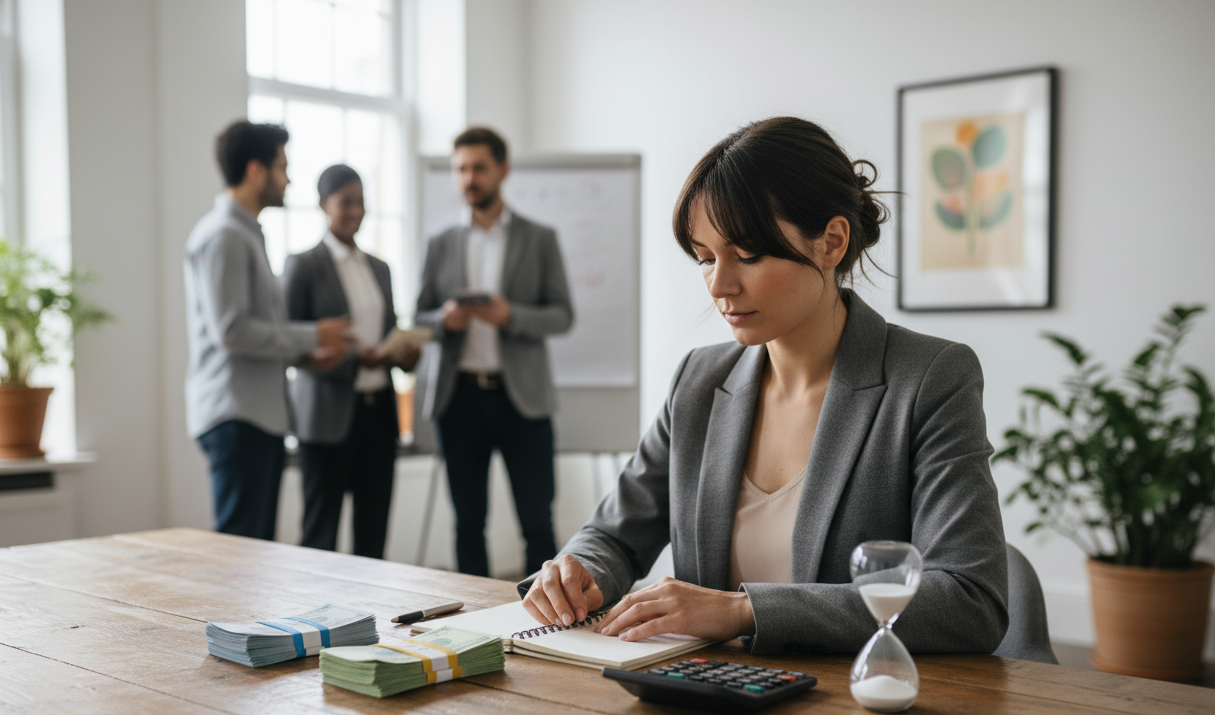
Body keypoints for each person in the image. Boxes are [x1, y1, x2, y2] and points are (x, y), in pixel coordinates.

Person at [521, 117, 1009, 656]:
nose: (720, 285)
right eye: (705, 258)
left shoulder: (929, 378)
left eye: (747, 254)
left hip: (856, 714)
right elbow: (614, 534)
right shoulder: (699, 381)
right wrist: (579, 571)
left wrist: (741, 610)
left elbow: (970, 599)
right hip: (707, 702)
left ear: (832, 242)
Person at [415, 126, 574, 577]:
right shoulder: (440, 242)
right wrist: (443, 320)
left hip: (521, 398)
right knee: (467, 523)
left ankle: (545, 619)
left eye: (478, 168)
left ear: (502, 170)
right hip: (458, 399)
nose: (469, 179)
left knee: (537, 522)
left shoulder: (538, 238)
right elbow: (417, 316)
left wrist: (511, 317)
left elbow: (563, 315)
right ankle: (474, 623)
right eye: (461, 169)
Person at [185, 120, 352, 540]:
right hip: (237, 416)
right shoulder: (224, 236)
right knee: (240, 552)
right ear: (256, 170)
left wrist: (303, 355)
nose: (289, 178)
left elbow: (253, 327)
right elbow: (232, 330)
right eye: (282, 167)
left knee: (254, 553)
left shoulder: (245, 234)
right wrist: (313, 335)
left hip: (256, 415)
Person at [283, 164, 419, 558]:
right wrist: (355, 359)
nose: (355, 211)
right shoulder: (304, 265)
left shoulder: (380, 268)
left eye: (361, 202)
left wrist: (402, 354)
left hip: (377, 415)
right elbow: (293, 347)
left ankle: (368, 619)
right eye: (346, 202)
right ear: (324, 205)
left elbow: (389, 329)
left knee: (373, 533)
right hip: (326, 419)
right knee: (320, 533)